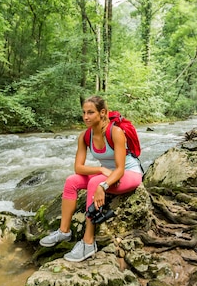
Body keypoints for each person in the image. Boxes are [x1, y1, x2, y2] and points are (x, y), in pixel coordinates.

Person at [39, 96, 143, 262]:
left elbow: (121, 169)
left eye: (90, 112)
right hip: (107, 173)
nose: (85, 117)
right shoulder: (85, 136)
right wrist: (101, 169)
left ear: (102, 113)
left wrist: (103, 185)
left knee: (95, 182)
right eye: (84, 113)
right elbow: (78, 168)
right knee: (71, 181)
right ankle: (64, 231)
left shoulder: (115, 132)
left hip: (129, 174)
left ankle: (88, 242)